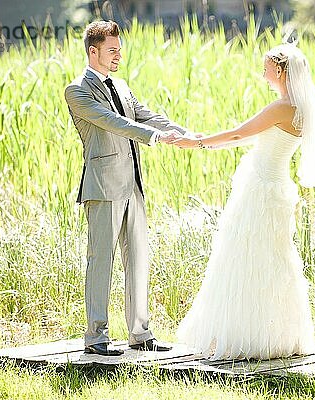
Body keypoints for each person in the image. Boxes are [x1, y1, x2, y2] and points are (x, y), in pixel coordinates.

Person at [173, 43, 315, 360]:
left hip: (259, 189)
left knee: (244, 257)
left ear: (281, 70)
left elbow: (236, 134)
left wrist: (196, 143)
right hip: (278, 187)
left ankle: (242, 336)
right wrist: (206, 142)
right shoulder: (298, 110)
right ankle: (273, 335)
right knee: (273, 259)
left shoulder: (281, 107)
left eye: (267, 68)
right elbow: (247, 137)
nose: (263, 73)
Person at [65, 20, 188, 356]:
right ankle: (96, 338)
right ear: (94, 51)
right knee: (100, 261)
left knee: (138, 260)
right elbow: (112, 121)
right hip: (103, 187)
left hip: (133, 186)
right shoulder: (77, 90)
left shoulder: (122, 87)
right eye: (112, 50)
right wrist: (155, 138)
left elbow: (147, 116)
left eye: (119, 49)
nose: (119, 55)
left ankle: (141, 334)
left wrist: (187, 134)